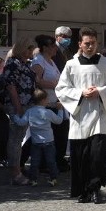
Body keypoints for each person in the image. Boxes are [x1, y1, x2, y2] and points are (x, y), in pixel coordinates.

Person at [55, 27, 106, 203]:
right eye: (87, 43)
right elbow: (61, 89)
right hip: (80, 117)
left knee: (97, 155)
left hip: (101, 116)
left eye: (93, 43)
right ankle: (84, 190)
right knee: (82, 157)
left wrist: (100, 92)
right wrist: (80, 93)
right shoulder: (71, 65)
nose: (90, 46)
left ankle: (95, 189)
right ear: (80, 44)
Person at [31, 35, 69, 171]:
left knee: (61, 133)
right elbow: (36, 80)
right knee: (50, 135)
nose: (55, 49)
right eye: (52, 46)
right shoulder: (38, 61)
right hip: (47, 103)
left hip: (57, 101)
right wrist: (53, 84)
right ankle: (45, 163)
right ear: (45, 48)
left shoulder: (51, 61)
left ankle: (58, 160)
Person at [1, 37, 36, 185]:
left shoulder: (25, 64)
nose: (31, 51)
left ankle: (18, 168)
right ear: (22, 48)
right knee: (15, 138)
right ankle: (15, 172)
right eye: (28, 48)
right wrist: (18, 106)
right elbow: (11, 86)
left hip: (26, 103)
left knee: (19, 137)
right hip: (18, 105)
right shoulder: (13, 63)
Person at [12, 89, 64, 187]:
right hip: (49, 141)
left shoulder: (30, 111)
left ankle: (33, 179)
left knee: (34, 162)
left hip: (36, 142)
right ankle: (53, 178)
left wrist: (14, 117)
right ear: (43, 100)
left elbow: (21, 122)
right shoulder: (47, 112)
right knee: (51, 161)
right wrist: (60, 110)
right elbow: (59, 121)